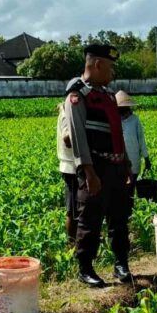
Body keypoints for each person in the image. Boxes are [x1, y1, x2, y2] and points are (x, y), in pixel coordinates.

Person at [65, 44, 133, 288]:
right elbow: (77, 137)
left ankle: (121, 264)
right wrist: (89, 171)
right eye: (110, 67)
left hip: (115, 167)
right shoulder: (77, 96)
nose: (112, 72)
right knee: (90, 220)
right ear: (97, 64)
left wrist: (125, 163)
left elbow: (117, 133)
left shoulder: (107, 95)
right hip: (96, 168)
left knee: (119, 218)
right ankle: (85, 268)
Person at [116, 90, 151, 214]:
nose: (122, 109)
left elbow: (141, 140)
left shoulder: (134, 120)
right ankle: (121, 211)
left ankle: (129, 212)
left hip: (133, 160)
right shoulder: (113, 120)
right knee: (120, 188)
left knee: (131, 187)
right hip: (118, 161)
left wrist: (146, 158)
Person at [56, 102, 78, 244]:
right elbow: (67, 139)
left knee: (76, 208)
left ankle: (76, 242)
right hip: (72, 167)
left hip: (73, 166)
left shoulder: (66, 112)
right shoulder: (66, 115)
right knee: (72, 210)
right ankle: (71, 245)